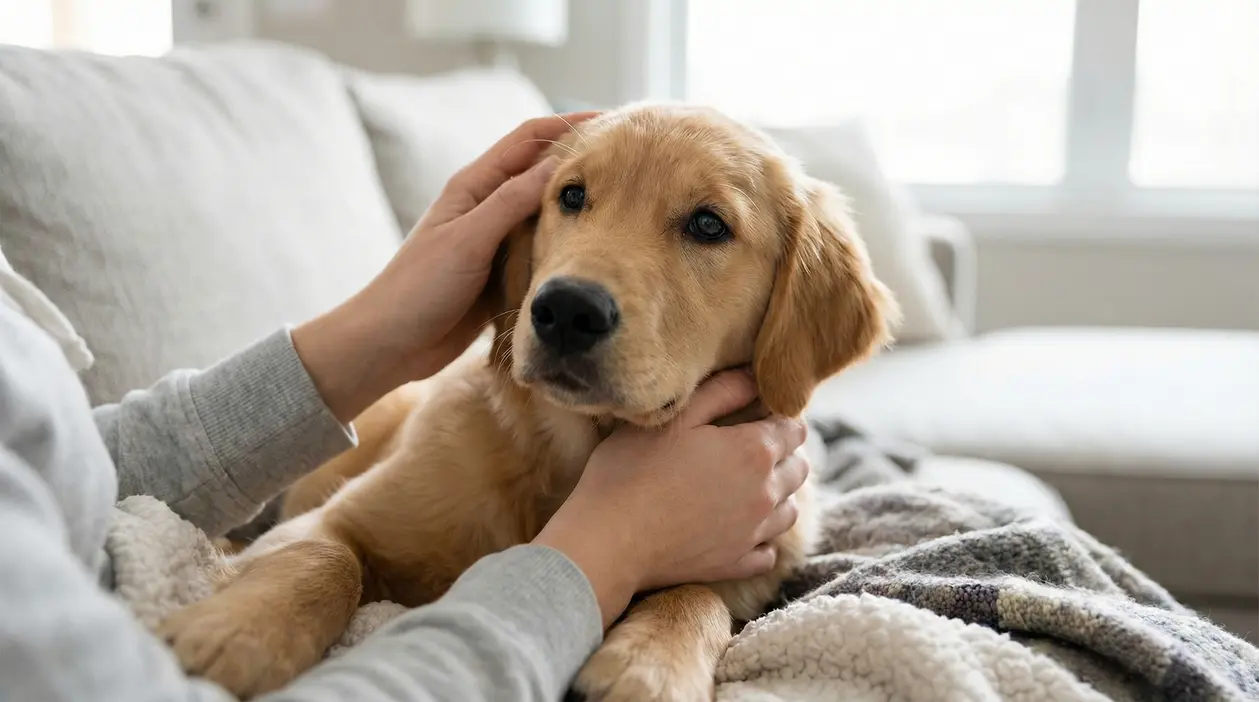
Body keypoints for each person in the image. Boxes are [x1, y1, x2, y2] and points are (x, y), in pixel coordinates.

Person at [0, 114, 810, 702]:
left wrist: (691, 612)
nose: (573, 291)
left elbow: (59, 458)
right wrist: (312, 578)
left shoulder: (761, 497)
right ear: (523, 259)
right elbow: (337, 529)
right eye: (575, 198)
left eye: (705, 225)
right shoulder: (462, 435)